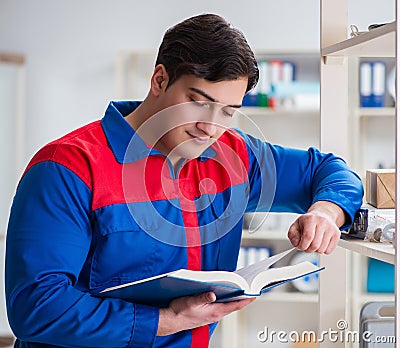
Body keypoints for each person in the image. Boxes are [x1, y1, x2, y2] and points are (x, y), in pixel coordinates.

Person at [5, 13, 363, 348]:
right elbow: (36, 306)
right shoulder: (66, 167)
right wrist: (164, 320)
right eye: (197, 102)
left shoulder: (233, 156)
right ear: (160, 79)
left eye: (227, 111)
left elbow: (330, 170)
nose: (210, 127)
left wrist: (327, 212)